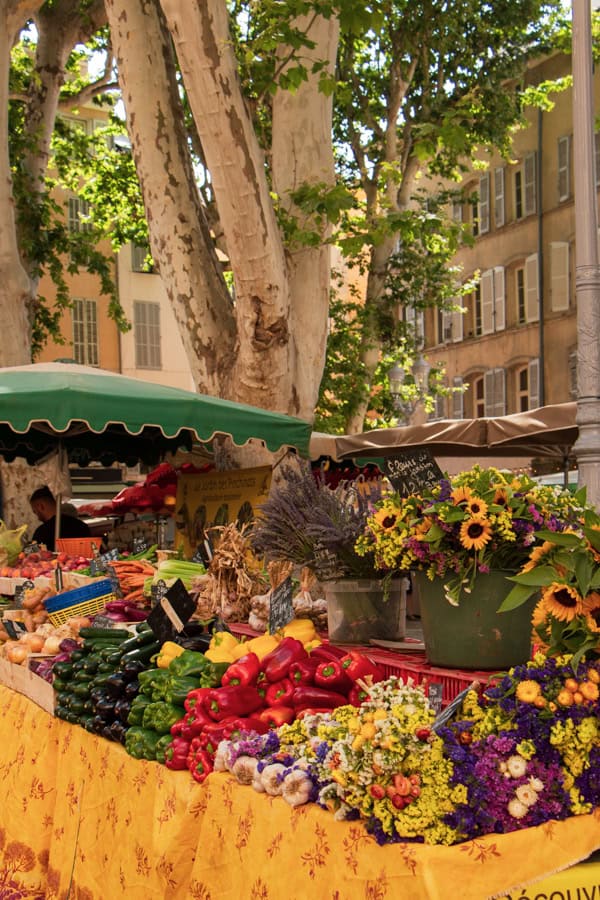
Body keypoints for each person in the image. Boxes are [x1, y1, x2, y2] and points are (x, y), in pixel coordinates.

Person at [29, 486, 91, 552]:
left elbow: (31, 554)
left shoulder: (42, 532)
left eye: (35, 511)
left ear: (40, 506)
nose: (38, 518)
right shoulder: (81, 526)